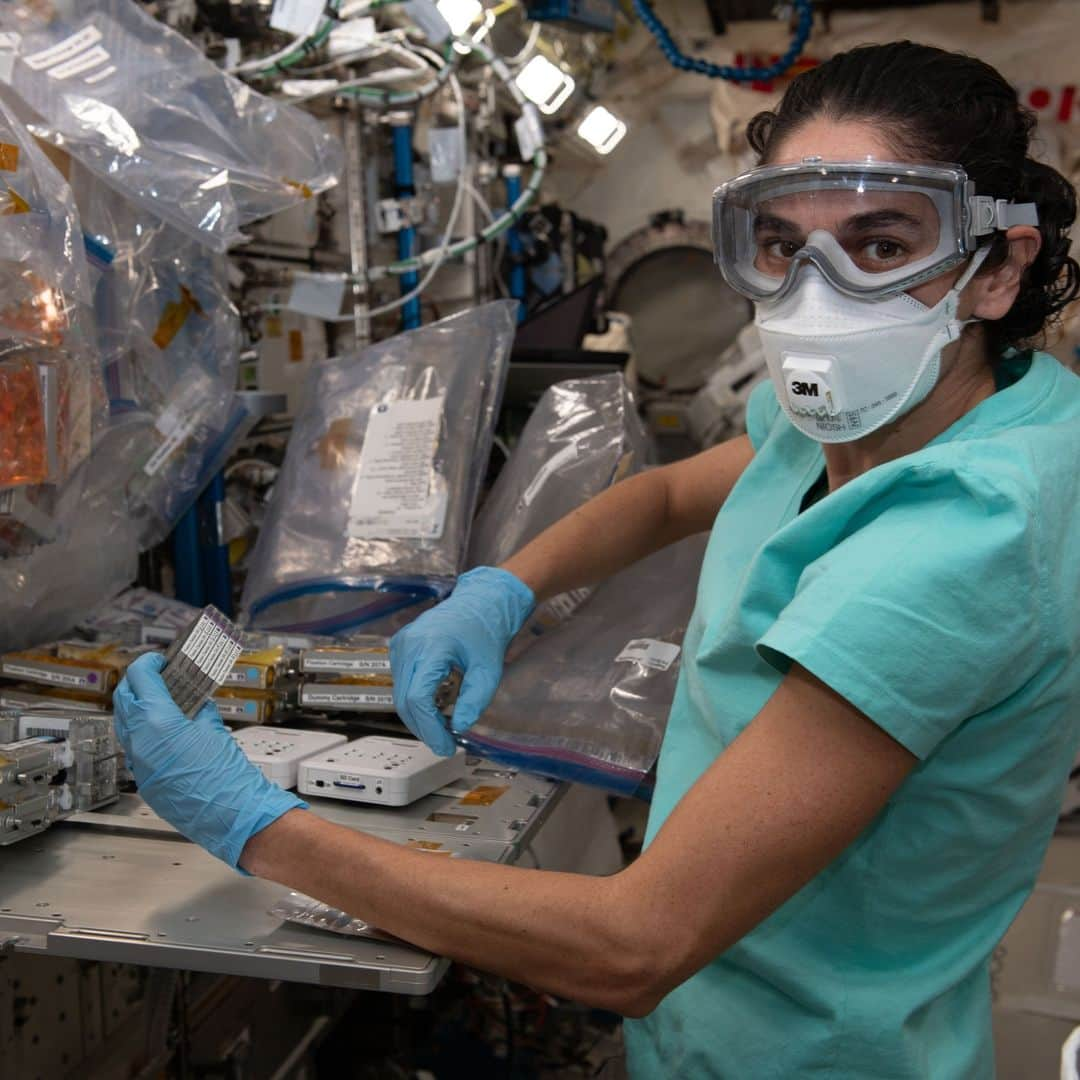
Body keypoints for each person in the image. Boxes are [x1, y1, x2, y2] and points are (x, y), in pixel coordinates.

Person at [114, 41, 1080, 1077]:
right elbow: (670, 491)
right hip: (731, 1016)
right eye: (782, 246)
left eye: (879, 246)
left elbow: (637, 944)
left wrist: (259, 825)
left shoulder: (964, 537)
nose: (818, 294)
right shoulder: (907, 406)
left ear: (999, 266)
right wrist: (504, 588)